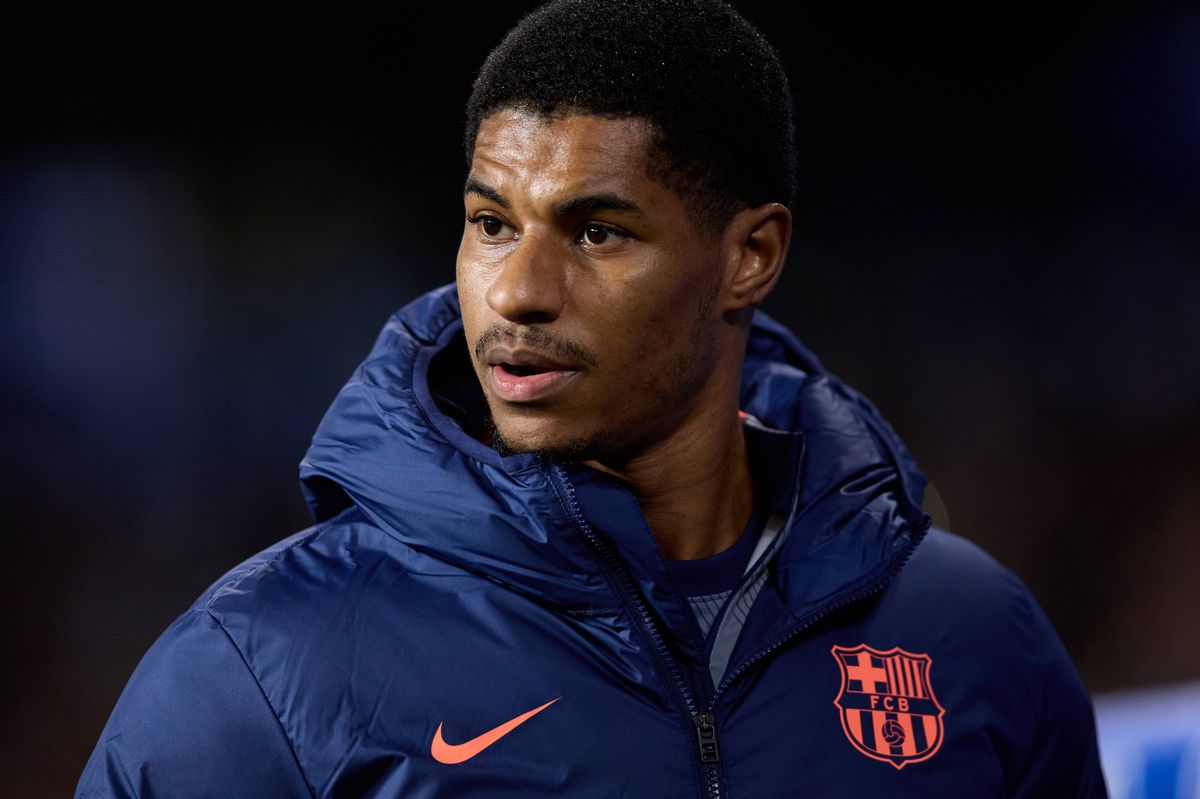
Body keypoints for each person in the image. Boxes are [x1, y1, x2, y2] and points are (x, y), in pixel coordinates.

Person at [77, 0, 1107, 796]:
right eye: (491, 222)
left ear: (751, 255)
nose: (519, 291)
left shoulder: (973, 636)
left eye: (598, 231)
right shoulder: (265, 667)